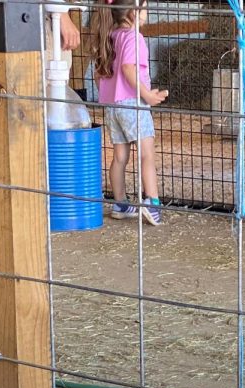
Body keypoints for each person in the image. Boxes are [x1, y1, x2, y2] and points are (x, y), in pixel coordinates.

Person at [85, 0, 168, 226]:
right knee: (147, 154)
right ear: (134, 12)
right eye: (145, 7)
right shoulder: (134, 37)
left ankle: (120, 204)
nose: (148, 12)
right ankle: (152, 204)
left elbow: (99, 74)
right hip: (133, 104)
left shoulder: (110, 35)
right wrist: (148, 96)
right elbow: (128, 69)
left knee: (120, 157)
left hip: (113, 106)